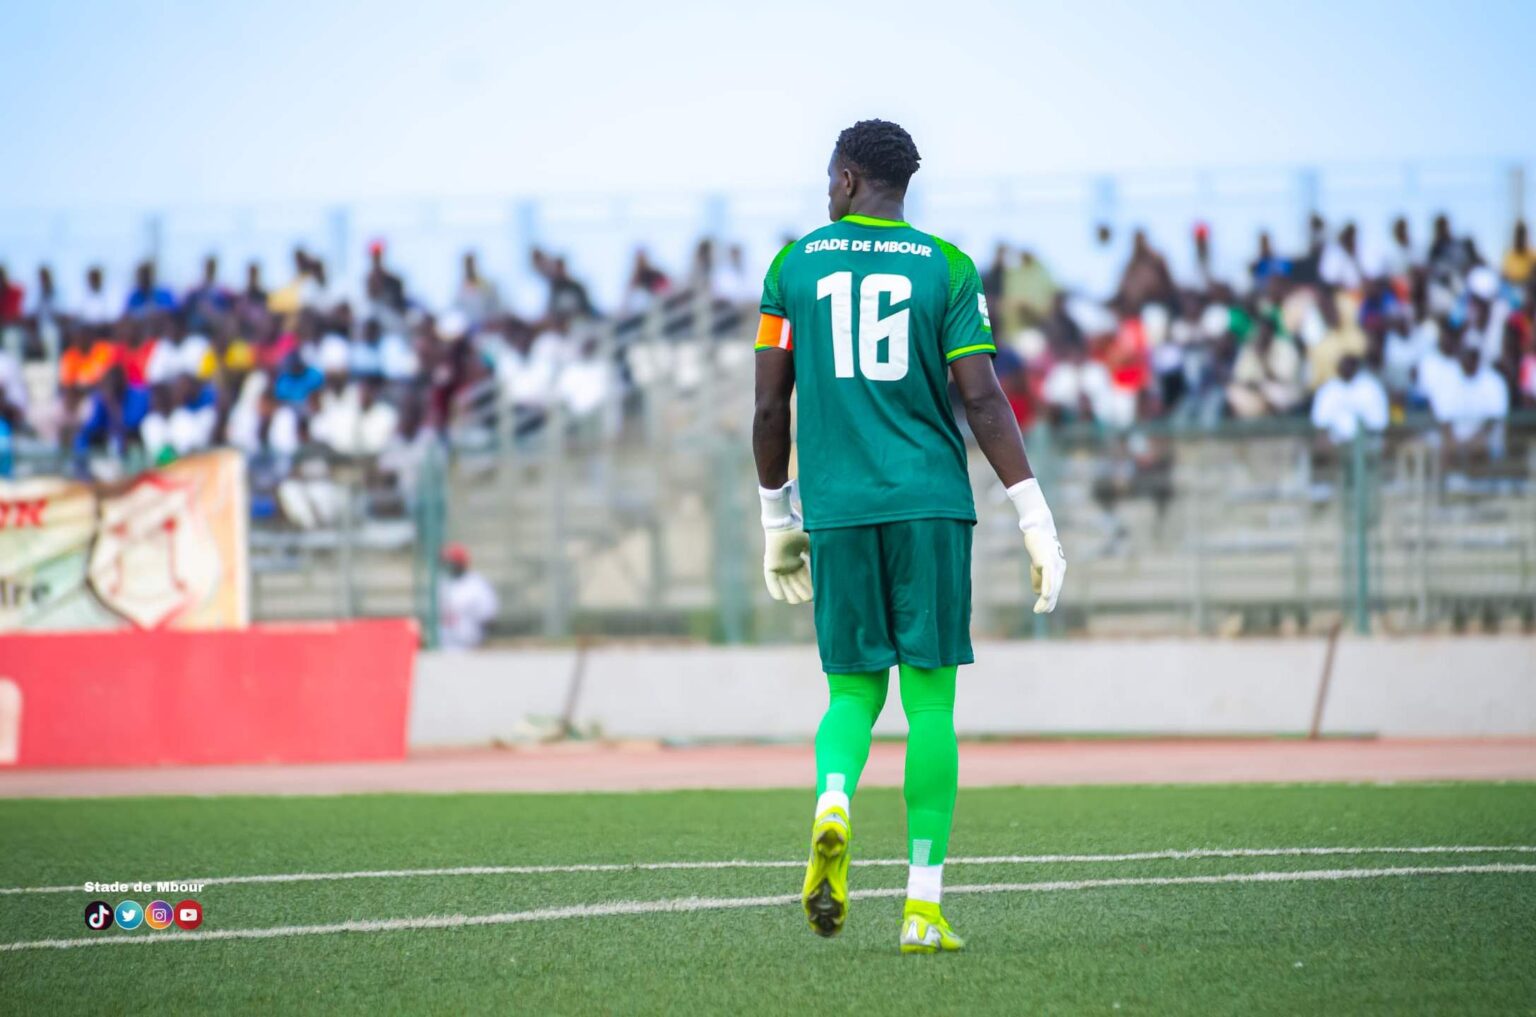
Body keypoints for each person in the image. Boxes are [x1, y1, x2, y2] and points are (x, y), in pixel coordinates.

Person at [751, 119, 1065, 956]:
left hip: (839, 507)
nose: (826, 188)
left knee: (851, 695)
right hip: (930, 503)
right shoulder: (948, 267)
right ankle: (922, 907)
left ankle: (832, 798)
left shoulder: (791, 267)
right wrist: (1035, 516)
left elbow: (770, 406)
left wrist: (776, 517)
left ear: (850, 179)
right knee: (930, 704)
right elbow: (984, 400)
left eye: (830, 175)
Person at [437, 543, 499, 649]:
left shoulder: (476, 584)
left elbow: (488, 618)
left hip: (469, 647)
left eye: (453, 563)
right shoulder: (441, 582)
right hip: (442, 646)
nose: (449, 566)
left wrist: (482, 642)